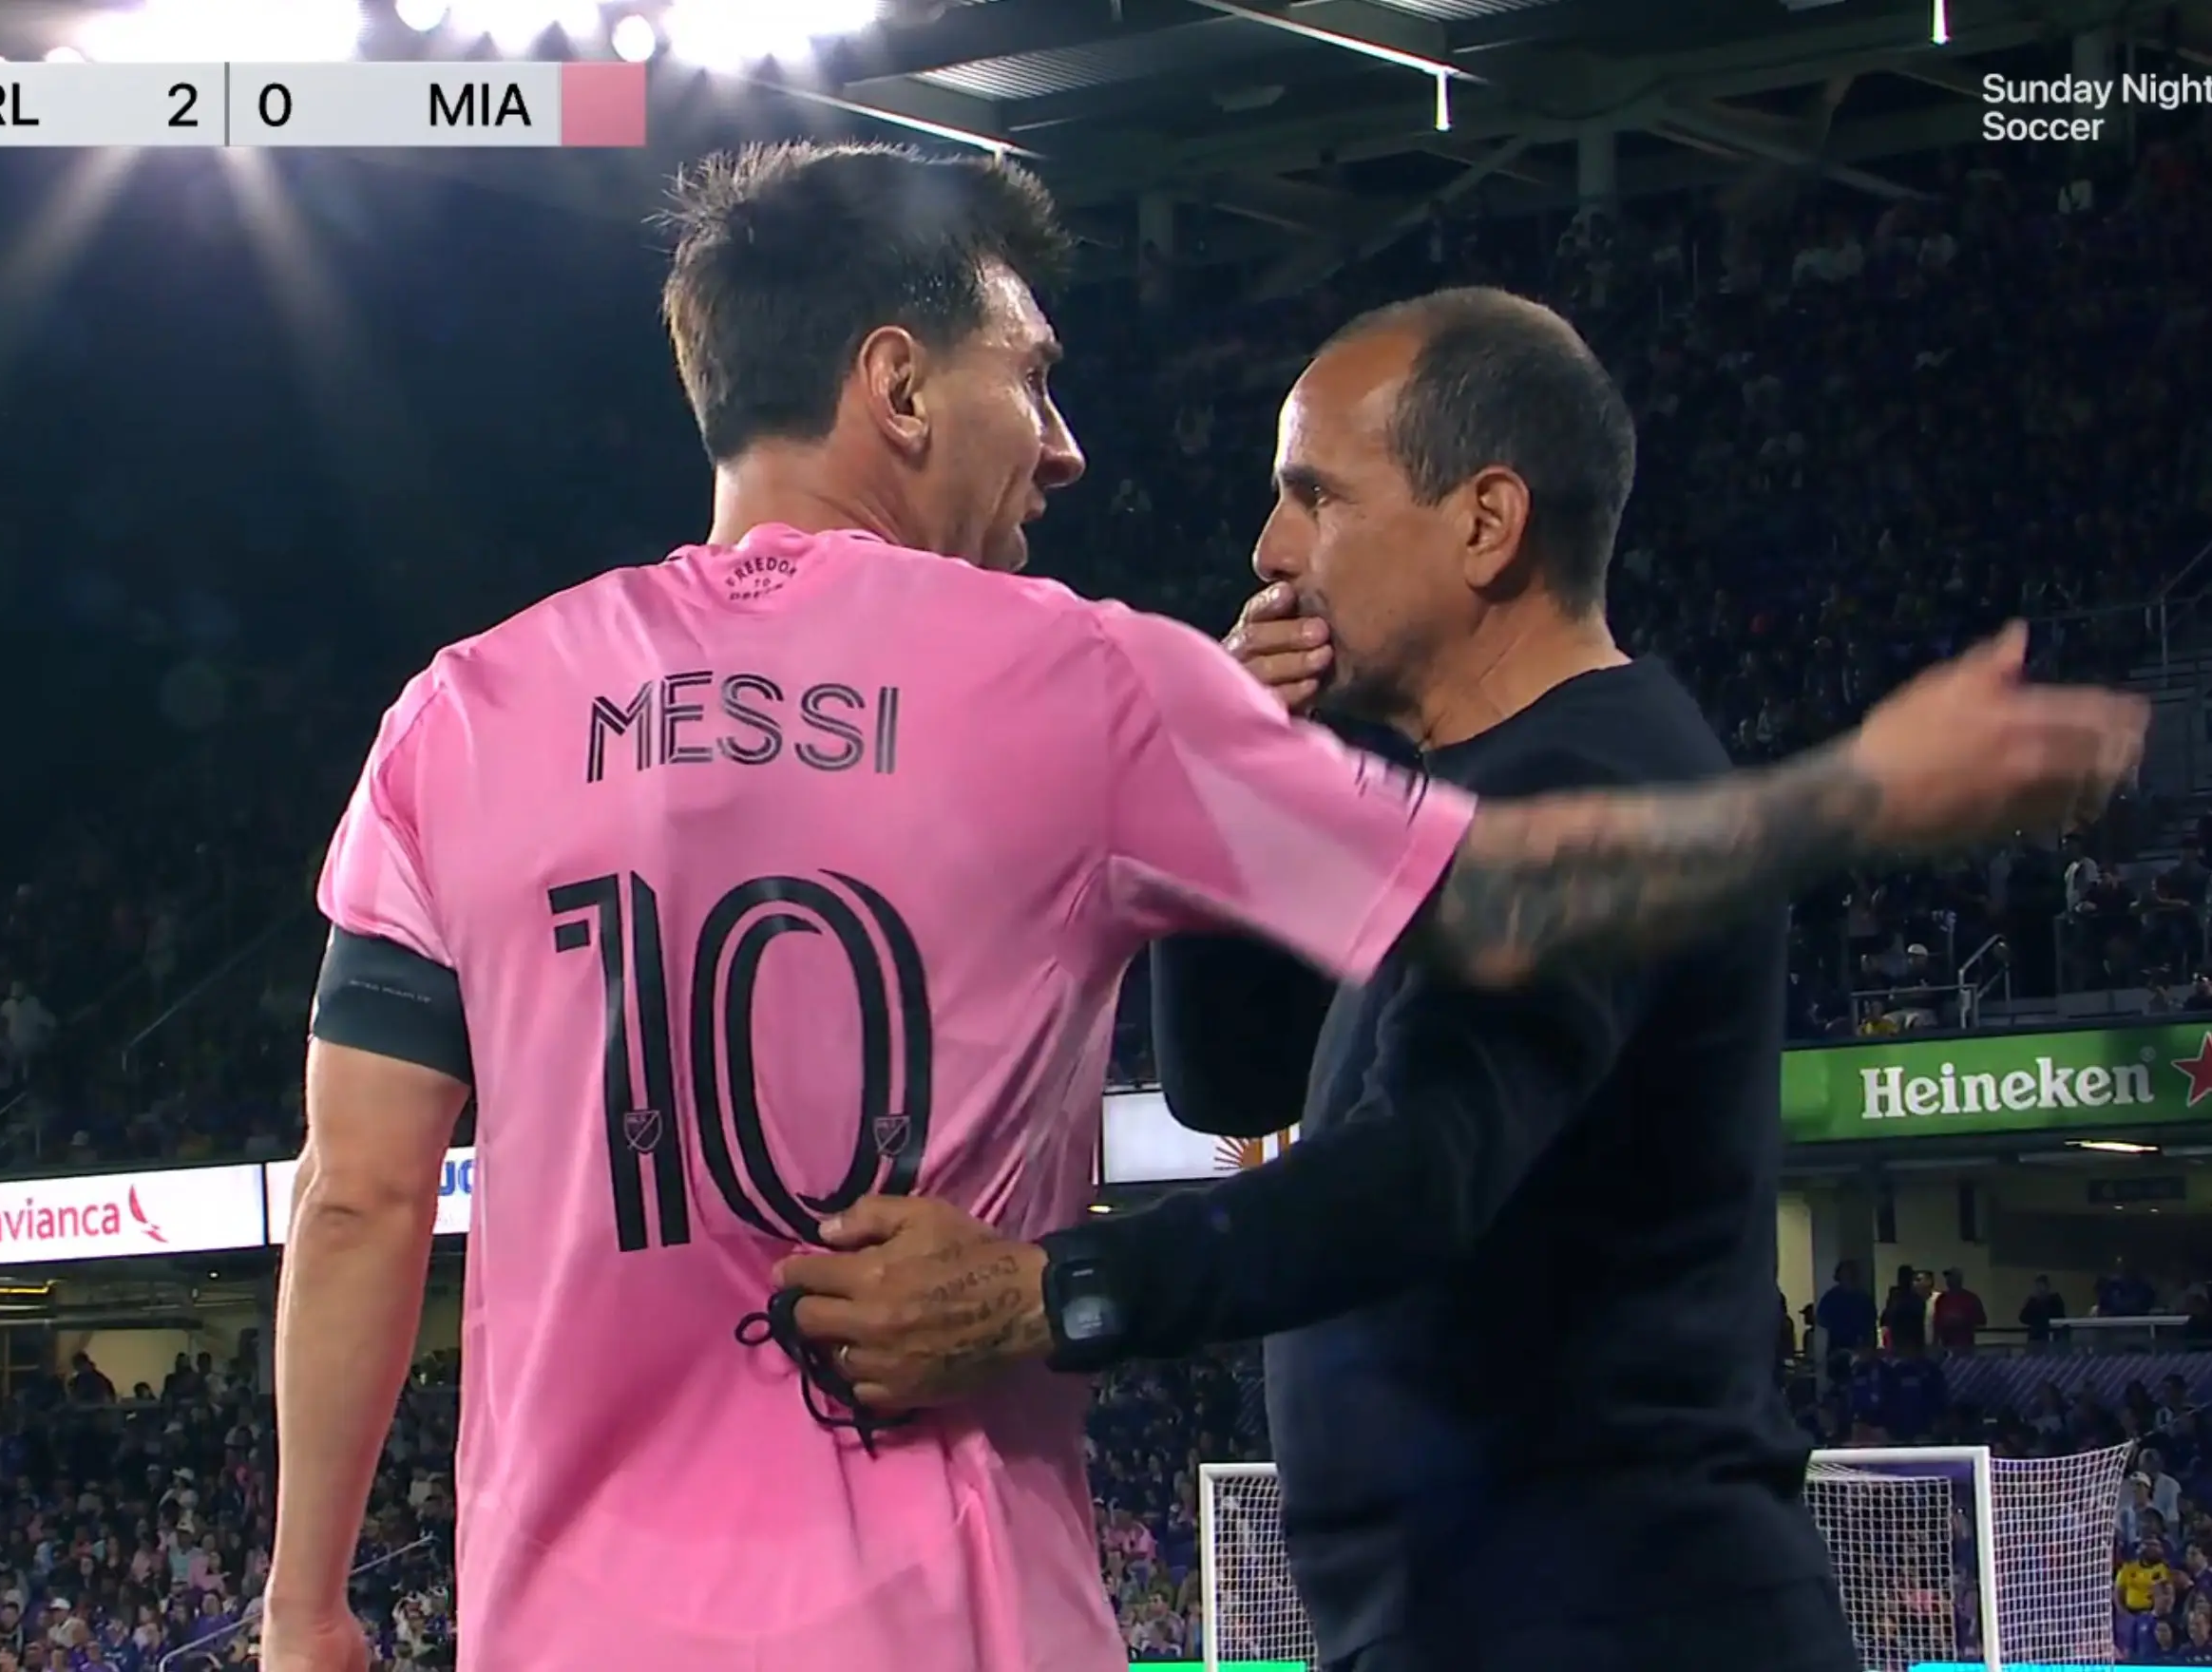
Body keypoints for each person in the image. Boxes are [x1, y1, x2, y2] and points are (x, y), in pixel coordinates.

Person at [261, 145, 2142, 1672]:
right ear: (899, 386)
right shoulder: (1074, 678)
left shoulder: (462, 712)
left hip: (568, 1627)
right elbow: (1475, 918)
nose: (1069, 446)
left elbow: (356, 1196)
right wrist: (1855, 793)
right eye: (1037, 376)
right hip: (950, 1621)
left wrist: (308, 1604)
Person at [769, 290, 2087, 1670]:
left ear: (1485, 523)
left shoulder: (1595, 776)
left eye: (1314, 497)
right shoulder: (1436, 798)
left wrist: (1051, 1297)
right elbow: (1237, 1083)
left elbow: (1424, 1166)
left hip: (1618, 1620)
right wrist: (1232, 775)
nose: (1269, 549)